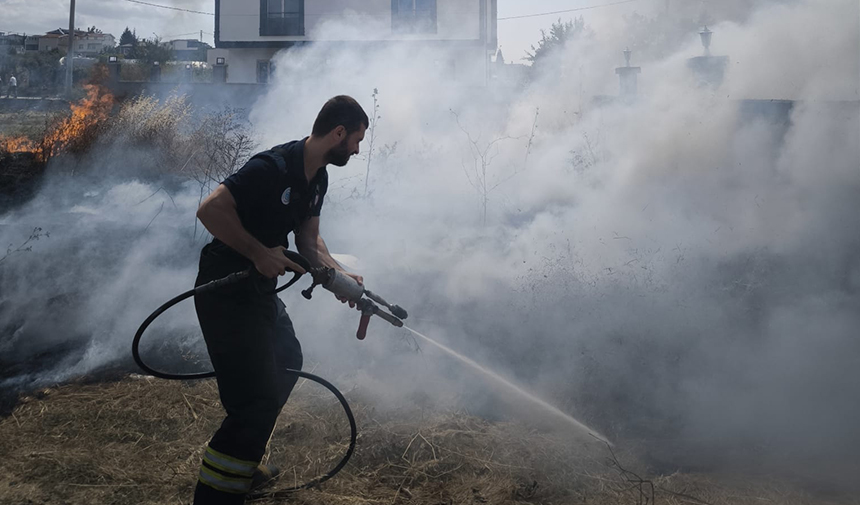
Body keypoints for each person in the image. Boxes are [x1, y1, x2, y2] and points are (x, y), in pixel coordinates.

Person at [192, 95, 368, 505]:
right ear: (338, 133)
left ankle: (243, 455)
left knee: (287, 359)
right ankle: (216, 495)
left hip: (258, 291)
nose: (357, 150)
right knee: (255, 399)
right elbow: (210, 210)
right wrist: (258, 252)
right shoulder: (270, 168)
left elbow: (309, 241)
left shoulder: (318, 177)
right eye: (356, 141)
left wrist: (341, 277)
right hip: (224, 290)